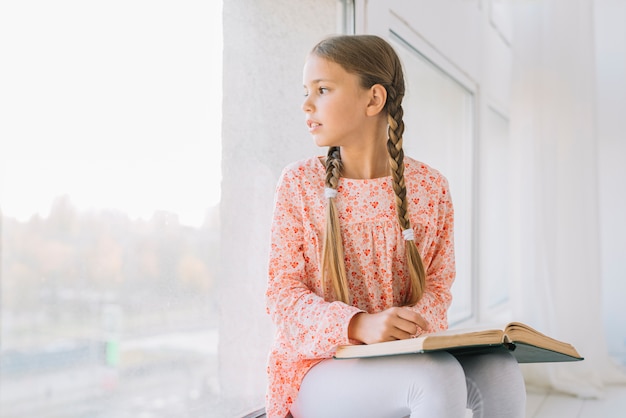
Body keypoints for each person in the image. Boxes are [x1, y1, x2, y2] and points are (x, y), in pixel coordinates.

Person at [265, 34, 526, 418]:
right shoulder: (299, 184)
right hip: (318, 368)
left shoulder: (429, 187)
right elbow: (281, 296)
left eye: (322, 89)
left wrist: (410, 331)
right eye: (306, 91)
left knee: (500, 369)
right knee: (434, 378)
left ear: (373, 99)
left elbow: (438, 288)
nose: (306, 104)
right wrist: (360, 325)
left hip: (403, 355)